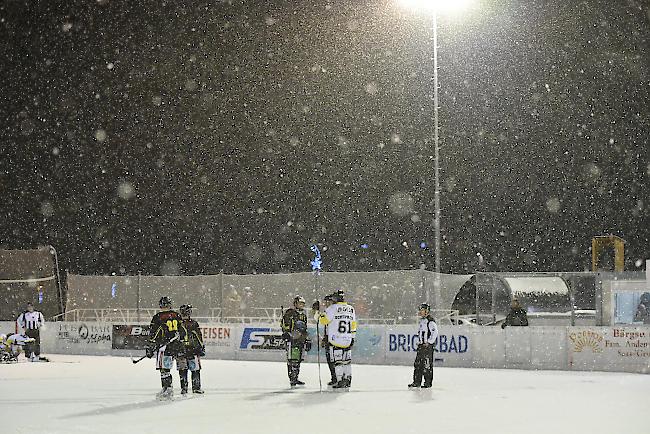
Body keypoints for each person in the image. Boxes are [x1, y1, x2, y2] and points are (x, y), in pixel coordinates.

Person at [146, 296, 187, 400]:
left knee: (164, 369)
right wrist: (178, 335)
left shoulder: (158, 317)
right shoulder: (177, 315)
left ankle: (167, 389)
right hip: (177, 346)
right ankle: (183, 388)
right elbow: (183, 332)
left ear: (160, 305)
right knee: (181, 367)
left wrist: (150, 346)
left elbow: (153, 334)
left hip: (165, 347)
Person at [318, 290, 356, 389]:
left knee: (338, 362)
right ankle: (348, 380)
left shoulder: (332, 308)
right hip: (347, 339)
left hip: (336, 340)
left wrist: (318, 313)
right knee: (347, 362)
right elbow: (353, 324)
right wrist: (352, 337)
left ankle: (340, 381)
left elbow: (323, 321)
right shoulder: (351, 308)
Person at [280, 295, 312, 387]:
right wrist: (286, 333)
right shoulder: (290, 312)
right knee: (292, 359)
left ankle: (296, 377)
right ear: (295, 304)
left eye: (303, 304)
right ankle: (292, 378)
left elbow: (305, 328)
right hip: (292, 338)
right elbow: (284, 324)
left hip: (301, 339)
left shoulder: (304, 315)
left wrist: (306, 339)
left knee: (298, 360)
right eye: (300, 303)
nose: (301, 305)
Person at [408, 303, 439, 389]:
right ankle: (416, 382)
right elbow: (421, 333)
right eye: (420, 310)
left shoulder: (430, 321)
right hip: (421, 346)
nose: (420, 312)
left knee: (427, 364)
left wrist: (429, 342)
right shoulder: (422, 321)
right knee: (418, 364)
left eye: (422, 310)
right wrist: (420, 342)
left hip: (427, 347)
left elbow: (435, 333)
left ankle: (427, 382)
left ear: (427, 311)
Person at [177, 304, 205, 395]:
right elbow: (198, 337)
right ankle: (196, 387)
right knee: (195, 369)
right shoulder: (193, 323)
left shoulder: (177, 323)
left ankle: (184, 388)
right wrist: (201, 347)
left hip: (180, 350)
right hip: (193, 350)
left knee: (182, 370)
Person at [315, 294, 337, 386]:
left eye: (328, 301)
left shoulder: (332, 311)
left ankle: (336, 377)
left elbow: (321, 321)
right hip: (329, 338)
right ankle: (334, 377)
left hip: (334, 339)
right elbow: (320, 322)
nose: (326, 303)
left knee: (334, 360)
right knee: (330, 360)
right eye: (325, 302)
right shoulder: (328, 311)